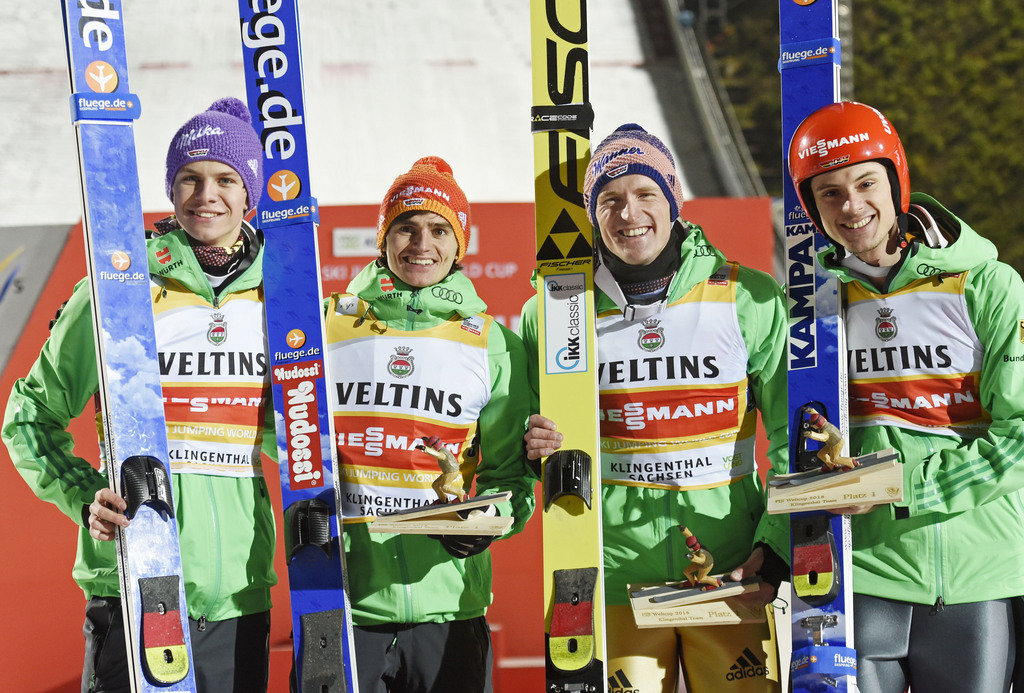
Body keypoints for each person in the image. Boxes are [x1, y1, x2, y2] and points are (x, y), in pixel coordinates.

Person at [3, 97, 277, 693]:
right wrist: (83, 498)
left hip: (237, 591)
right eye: (190, 178)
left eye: (226, 178)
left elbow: (303, 436)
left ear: (249, 190)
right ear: (172, 190)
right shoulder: (120, 287)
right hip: (134, 577)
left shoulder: (281, 302)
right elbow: (29, 416)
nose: (207, 194)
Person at [521, 124, 790, 693]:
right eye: (610, 200)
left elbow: (796, 434)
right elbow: (518, 438)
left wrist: (778, 542)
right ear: (593, 214)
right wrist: (532, 444)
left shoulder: (746, 296)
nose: (629, 213)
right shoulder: (556, 311)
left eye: (646, 194)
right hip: (616, 577)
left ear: (673, 200)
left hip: (729, 570)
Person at [786, 100, 1024, 693]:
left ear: (896, 180)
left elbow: (1021, 435)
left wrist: (906, 488)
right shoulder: (812, 304)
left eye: (866, 183)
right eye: (830, 194)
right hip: (861, 572)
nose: (853, 207)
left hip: (974, 573)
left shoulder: (986, 285)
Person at [322, 156, 535, 693]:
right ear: (382, 239)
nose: (422, 244)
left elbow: (514, 477)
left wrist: (489, 521)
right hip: (344, 603)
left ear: (459, 244)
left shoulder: (491, 343)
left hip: (450, 603)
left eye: (440, 230)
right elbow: (286, 438)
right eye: (406, 228)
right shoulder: (327, 323)